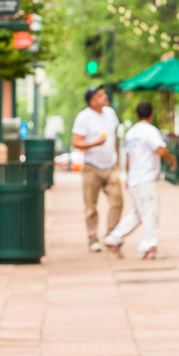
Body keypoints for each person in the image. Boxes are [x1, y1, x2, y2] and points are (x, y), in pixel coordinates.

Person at [104, 101, 177, 259]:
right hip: (146, 178)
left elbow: (128, 158)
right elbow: (160, 150)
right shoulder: (150, 131)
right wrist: (171, 159)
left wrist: (128, 177)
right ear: (152, 113)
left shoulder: (131, 133)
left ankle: (114, 237)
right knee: (150, 212)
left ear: (137, 115)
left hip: (135, 179)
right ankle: (148, 247)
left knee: (138, 212)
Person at [71, 86, 122, 252]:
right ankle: (93, 238)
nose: (104, 96)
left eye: (103, 94)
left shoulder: (110, 113)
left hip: (111, 166)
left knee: (117, 202)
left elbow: (114, 138)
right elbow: (76, 142)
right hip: (92, 167)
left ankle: (110, 235)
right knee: (91, 206)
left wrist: (117, 160)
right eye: (100, 95)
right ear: (92, 101)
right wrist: (94, 143)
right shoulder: (84, 117)